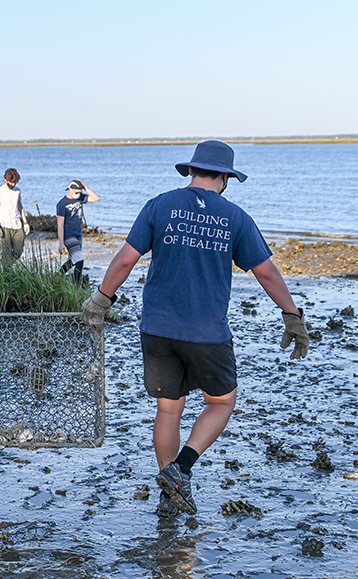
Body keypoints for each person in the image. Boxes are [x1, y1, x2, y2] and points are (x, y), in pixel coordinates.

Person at [82, 140, 309, 517]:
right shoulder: (235, 217)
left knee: (169, 409)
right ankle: (180, 470)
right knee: (221, 401)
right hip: (207, 332)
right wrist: (291, 314)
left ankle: (167, 490)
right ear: (224, 178)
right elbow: (265, 271)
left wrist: (101, 300)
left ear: (191, 171)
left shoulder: (159, 205)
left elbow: (124, 261)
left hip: (157, 328)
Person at [56, 179, 100, 284]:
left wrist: (84, 187)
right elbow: (60, 225)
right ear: (70, 189)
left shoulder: (80, 198)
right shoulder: (62, 204)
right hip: (68, 235)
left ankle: (57, 277)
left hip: (78, 234)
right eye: (76, 192)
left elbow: (96, 198)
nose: (78, 194)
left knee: (73, 260)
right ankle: (76, 285)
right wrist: (61, 243)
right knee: (80, 259)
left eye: (79, 192)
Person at [0, 168, 29, 262]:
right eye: (11, 182)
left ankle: (6, 264)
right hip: (5, 226)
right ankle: (6, 271)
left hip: (17, 225)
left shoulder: (17, 191)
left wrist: (25, 222)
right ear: (6, 180)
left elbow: (20, 207)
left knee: (18, 251)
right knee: (6, 253)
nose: (13, 184)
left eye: (15, 183)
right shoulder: (0, 192)